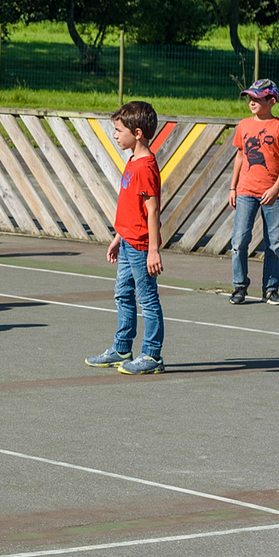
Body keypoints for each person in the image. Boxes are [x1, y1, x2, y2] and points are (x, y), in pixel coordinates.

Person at [86, 100, 165, 375]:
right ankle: (122, 349)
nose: (115, 135)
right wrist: (118, 236)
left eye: (119, 130)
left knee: (147, 299)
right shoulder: (132, 161)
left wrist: (153, 250)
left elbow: (152, 210)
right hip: (128, 241)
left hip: (142, 246)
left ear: (138, 133)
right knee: (122, 294)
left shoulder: (145, 167)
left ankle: (152, 355)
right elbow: (130, 206)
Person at [229, 79, 279, 306]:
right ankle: (239, 286)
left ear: (271, 100)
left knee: (274, 243)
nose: (252, 102)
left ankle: (271, 289)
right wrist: (233, 186)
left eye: (257, 98)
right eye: (250, 98)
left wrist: (275, 188)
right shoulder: (244, 125)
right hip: (246, 190)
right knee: (239, 240)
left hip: (274, 194)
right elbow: (240, 156)